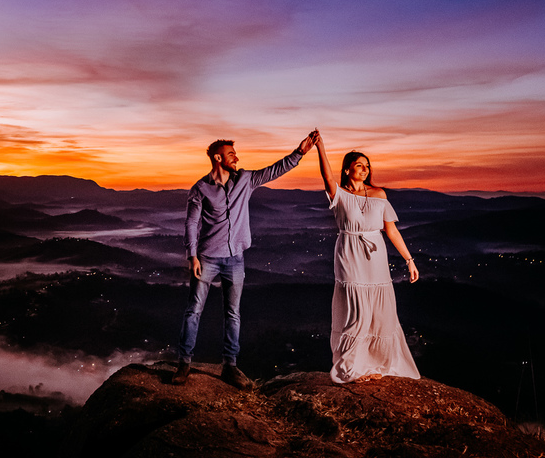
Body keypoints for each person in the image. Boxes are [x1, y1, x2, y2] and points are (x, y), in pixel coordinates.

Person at [172, 135, 316, 389]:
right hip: (207, 258)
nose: (237, 158)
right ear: (218, 158)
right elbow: (191, 223)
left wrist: (300, 152)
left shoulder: (245, 180)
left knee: (233, 313)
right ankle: (184, 363)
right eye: (231, 154)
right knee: (194, 310)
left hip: (236, 258)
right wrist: (192, 255)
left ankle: (230, 366)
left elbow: (274, 170)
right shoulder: (200, 189)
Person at [307, 130, 420, 383]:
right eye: (359, 165)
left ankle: (376, 363)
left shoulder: (379, 194)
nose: (365, 169)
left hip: (376, 256)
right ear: (347, 169)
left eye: (367, 165)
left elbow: (391, 230)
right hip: (349, 253)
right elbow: (327, 175)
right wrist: (320, 147)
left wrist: (409, 260)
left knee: (379, 311)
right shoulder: (339, 195)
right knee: (355, 307)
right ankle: (352, 366)